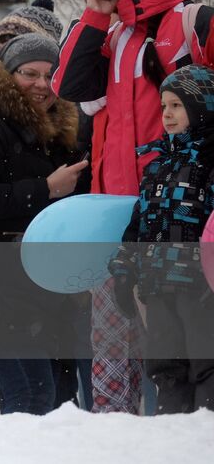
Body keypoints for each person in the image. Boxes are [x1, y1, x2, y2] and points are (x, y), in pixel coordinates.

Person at [53, 0, 214, 412]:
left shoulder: (192, 22)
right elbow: (68, 86)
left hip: (183, 213)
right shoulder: (112, 34)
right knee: (114, 345)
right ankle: (117, 444)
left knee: (182, 347)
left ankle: (183, 440)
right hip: (119, 213)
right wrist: (97, 14)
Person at [0, 33, 88, 414]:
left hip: (48, 293)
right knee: (30, 396)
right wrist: (45, 188)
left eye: (50, 74)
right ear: (9, 75)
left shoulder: (62, 135)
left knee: (59, 402)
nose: (42, 84)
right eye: (30, 74)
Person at [108, 65, 214, 413]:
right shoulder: (158, 165)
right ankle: (172, 441)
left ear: (202, 107)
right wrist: (125, 267)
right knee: (166, 371)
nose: (166, 114)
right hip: (158, 288)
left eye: (177, 106)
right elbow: (139, 223)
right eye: (163, 106)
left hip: (202, 288)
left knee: (207, 366)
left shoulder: (210, 161)